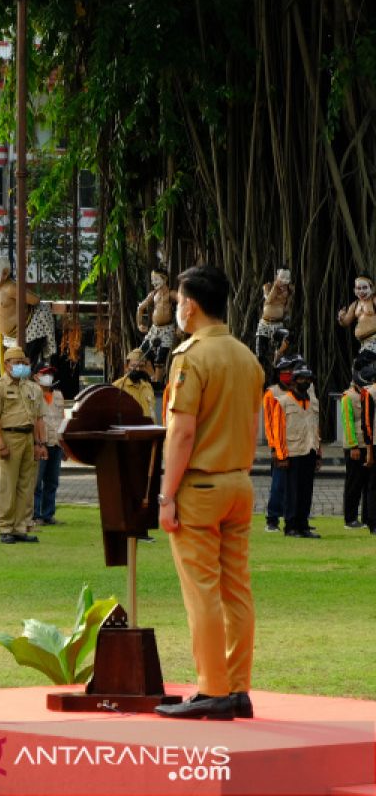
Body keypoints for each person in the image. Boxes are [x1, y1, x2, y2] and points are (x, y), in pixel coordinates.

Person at [154, 265, 264, 721]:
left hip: (199, 485)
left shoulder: (191, 357)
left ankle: (212, 689)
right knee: (237, 590)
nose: (176, 309)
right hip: (240, 481)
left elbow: (181, 433)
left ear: (190, 305)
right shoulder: (246, 357)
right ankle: (237, 688)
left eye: (177, 301)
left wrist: (165, 495)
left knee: (202, 592)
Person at [0, 346, 46, 544]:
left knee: (26, 485)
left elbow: (39, 418)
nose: (21, 366)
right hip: (9, 437)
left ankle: (21, 527)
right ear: (6, 364)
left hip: (29, 438)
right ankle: (5, 527)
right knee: (7, 485)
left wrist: (40, 443)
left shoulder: (33, 388)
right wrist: (0, 442)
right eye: (16, 362)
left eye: (24, 363)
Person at [267, 363, 322, 539]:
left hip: (309, 449)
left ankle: (303, 525)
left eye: (308, 379)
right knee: (292, 491)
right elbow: (278, 429)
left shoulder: (313, 401)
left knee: (307, 490)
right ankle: (290, 526)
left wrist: (319, 452)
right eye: (301, 378)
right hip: (292, 451)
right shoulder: (282, 402)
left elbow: (316, 428)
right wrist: (280, 454)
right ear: (294, 381)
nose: (305, 382)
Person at [261, 355, 302, 533]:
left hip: (298, 444)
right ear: (278, 374)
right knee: (278, 484)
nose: (287, 375)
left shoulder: (299, 391)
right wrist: (275, 447)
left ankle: (292, 518)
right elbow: (269, 423)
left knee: (295, 485)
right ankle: (272, 519)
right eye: (284, 372)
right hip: (280, 444)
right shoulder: (272, 393)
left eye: (290, 372)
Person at [340, 365, 375, 530]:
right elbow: (347, 423)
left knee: (369, 483)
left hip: (368, 445)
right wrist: (353, 446)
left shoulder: (368, 395)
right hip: (355, 446)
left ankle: (368, 517)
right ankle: (350, 518)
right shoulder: (348, 397)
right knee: (354, 484)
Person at [32, 362, 65, 527]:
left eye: (50, 373)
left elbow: (62, 418)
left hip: (56, 444)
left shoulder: (58, 395)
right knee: (36, 482)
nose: (48, 377)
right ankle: (35, 515)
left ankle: (48, 514)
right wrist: (36, 443)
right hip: (40, 443)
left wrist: (64, 444)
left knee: (52, 482)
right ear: (35, 376)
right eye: (45, 373)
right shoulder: (32, 395)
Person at [136, 269, 179, 371]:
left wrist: (180, 327)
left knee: (160, 358)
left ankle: (158, 382)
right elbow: (140, 308)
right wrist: (139, 324)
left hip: (167, 330)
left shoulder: (171, 294)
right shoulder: (153, 295)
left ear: (165, 279)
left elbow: (184, 303)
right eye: (152, 280)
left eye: (156, 279)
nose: (153, 282)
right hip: (154, 330)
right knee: (142, 353)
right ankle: (152, 378)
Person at [112, 349, 156, 420]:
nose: (138, 369)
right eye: (134, 366)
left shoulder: (148, 387)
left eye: (141, 366)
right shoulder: (117, 387)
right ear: (126, 367)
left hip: (148, 429)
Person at [338, 276, 376, 355]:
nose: (362, 291)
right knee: (363, 366)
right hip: (364, 343)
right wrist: (341, 318)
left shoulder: (374, 300)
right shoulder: (355, 305)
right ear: (354, 291)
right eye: (358, 288)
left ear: (372, 289)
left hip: (374, 339)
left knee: (360, 364)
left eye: (365, 288)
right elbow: (346, 322)